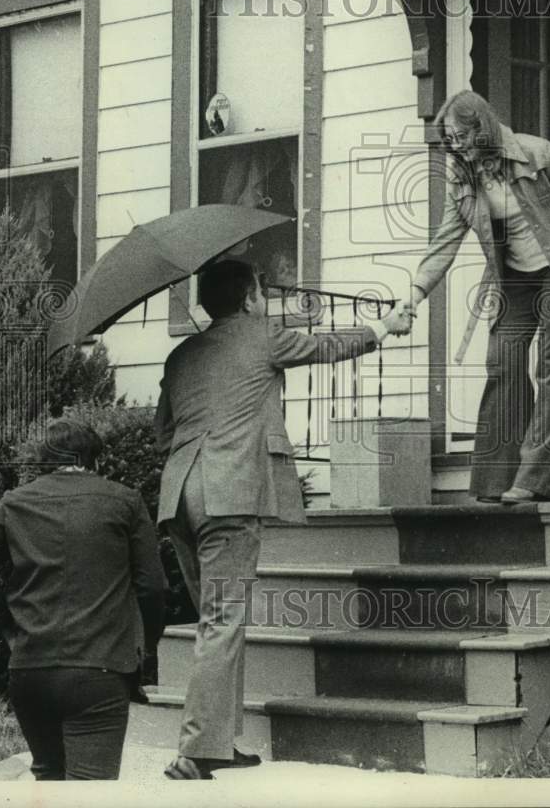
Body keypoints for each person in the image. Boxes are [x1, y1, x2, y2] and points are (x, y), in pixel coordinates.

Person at [154, 259, 412, 780]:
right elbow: (327, 347)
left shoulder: (180, 355)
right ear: (249, 298)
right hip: (231, 495)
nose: (265, 301)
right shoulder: (263, 335)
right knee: (223, 621)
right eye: (262, 293)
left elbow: (162, 433)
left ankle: (217, 744)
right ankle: (194, 751)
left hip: (181, 498)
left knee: (217, 621)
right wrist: (386, 325)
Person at [403, 90, 550, 504]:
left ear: (480, 128)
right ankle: (497, 479)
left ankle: (537, 480)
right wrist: (415, 292)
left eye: (460, 135)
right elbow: (446, 239)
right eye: (450, 138)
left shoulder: (536, 153)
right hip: (514, 278)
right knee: (503, 359)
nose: (455, 145)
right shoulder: (463, 179)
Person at [0, 418, 166, 781]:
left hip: (30, 667)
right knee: (90, 790)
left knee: (48, 781)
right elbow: (153, 587)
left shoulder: (16, 501)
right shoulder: (125, 501)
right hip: (100, 668)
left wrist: (5, 629)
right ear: (95, 459)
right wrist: (147, 646)